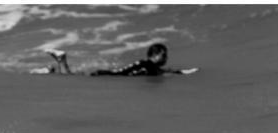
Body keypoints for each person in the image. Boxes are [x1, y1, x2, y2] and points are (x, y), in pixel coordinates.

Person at [38, 42, 196, 76]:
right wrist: (183, 72)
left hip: (105, 74)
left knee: (70, 77)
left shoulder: (145, 64)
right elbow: (162, 73)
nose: (166, 57)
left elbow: (162, 71)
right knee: (69, 79)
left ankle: (54, 67)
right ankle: (61, 60)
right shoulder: (148, 66)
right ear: (154, 55)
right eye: (163, 54)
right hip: (105, 76)